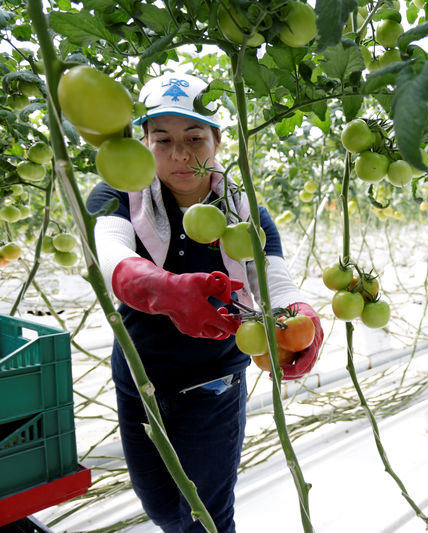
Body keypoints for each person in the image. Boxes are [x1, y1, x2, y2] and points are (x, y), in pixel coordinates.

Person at [86, 71, 323, 532]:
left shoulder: (245, 211)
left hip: (213, 382)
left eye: (195, 137)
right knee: (159, 507)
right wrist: (158, 286)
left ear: (215, 140)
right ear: (144, 142)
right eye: (162, 139)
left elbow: (273, 279)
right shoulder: (116, 194)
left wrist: (300, 316)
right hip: (139, 377)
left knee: (204, 518)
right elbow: (111, 249)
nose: (179, 153)